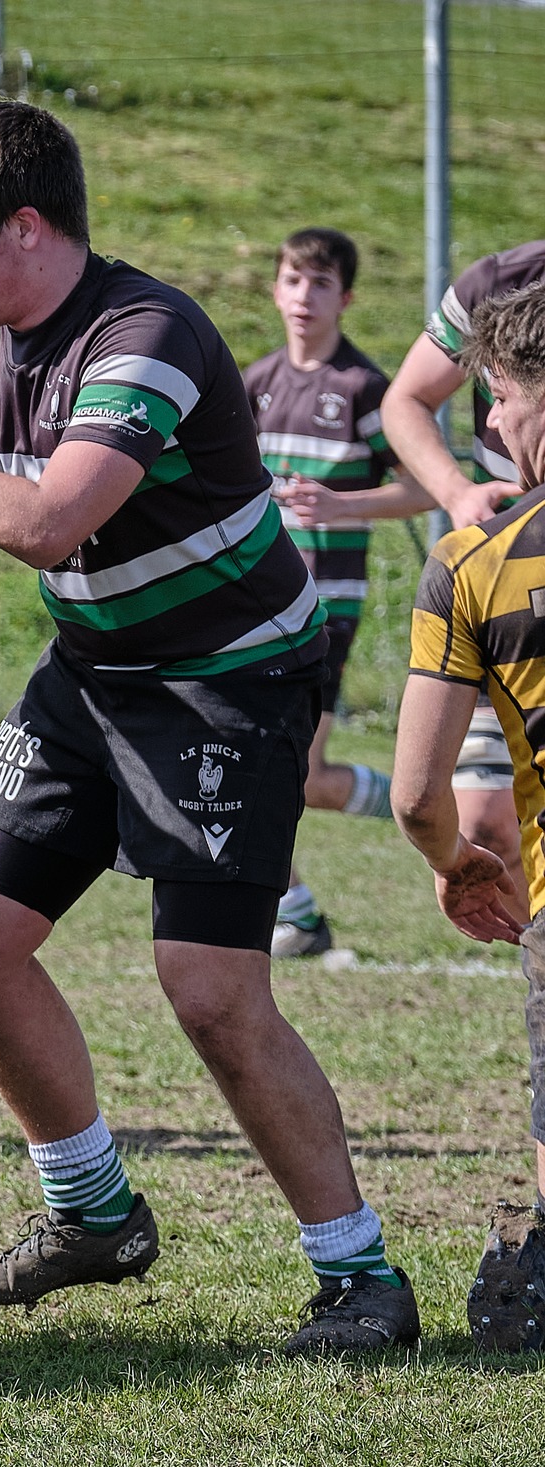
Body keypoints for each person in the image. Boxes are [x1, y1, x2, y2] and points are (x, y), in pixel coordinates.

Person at [0, 101, 417, 1355]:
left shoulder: (144, 336)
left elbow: (42, 524)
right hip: (96, 669)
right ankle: (91, 1213)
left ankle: (360, 1277)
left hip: (228, 680)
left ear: (23, 225)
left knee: (210, 989)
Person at [390, 277, 545, 1353]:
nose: (487, 423)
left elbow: (411, 793)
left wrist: (456, 860)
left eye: (496, 396)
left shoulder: (472, 564)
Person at [244, 227, 433, 958]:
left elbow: (422, 488)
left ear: (345, 297)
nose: (303, 296)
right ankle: (422, 807)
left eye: (320, 283)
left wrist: (345, 505)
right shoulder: (256, 383)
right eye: (293, 279)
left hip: (324, 613)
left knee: (281, 776)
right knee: (295, 777)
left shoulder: (364, 390)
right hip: (252, 609)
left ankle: (300, 912)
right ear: (275, 287)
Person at [384, 242, 545, 877]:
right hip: (507, 577)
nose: (496, 417)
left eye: (503, 400)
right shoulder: (499, 282)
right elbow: (406, 398)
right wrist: (457, 494)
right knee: (483, 821)